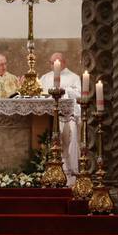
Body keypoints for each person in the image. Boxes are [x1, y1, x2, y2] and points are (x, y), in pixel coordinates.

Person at [38, 52, 82, 187]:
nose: (52, 65)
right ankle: (47, 174)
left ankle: (69, 177)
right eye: (51, 63)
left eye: (55, 63)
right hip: (47, 118)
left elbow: (79, 95)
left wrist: (65, 90)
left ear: (63, 62)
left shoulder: (73, 77)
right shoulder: (45, 77)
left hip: (67, 119)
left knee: (67, 146)